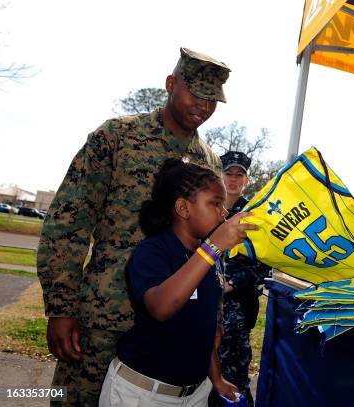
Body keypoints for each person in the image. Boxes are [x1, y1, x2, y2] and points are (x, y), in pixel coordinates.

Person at [37, 47, 230, 405]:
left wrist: (209, 318)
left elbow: (208, 247)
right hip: (106, 316)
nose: (203, 107)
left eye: (212, 100)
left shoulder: (209, 162)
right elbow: (68, 221)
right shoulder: (116, 137)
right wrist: (61, 306)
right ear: (171, 84)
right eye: (196, 94)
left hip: (170, 324)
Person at [99, 159, 256, 406]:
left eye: (223, 205)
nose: (224, 213)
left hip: (194, 394)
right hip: (141, 394)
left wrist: (217, 379)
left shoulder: (209, 257)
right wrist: (212, 247)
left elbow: (207, 332)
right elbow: (161, 307)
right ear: (183, 208)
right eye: (215, 204)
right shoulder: (153, 252)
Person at [208, 151, 271, 407]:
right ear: (220, 176)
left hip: (236, 307)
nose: (233, 179)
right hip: (204, 301)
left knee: (234, 374)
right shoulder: (207, 207)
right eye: (228, 173)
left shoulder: (255, 215)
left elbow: (263, 262)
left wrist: (232, 282)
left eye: (239, 175)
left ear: (246, 179)